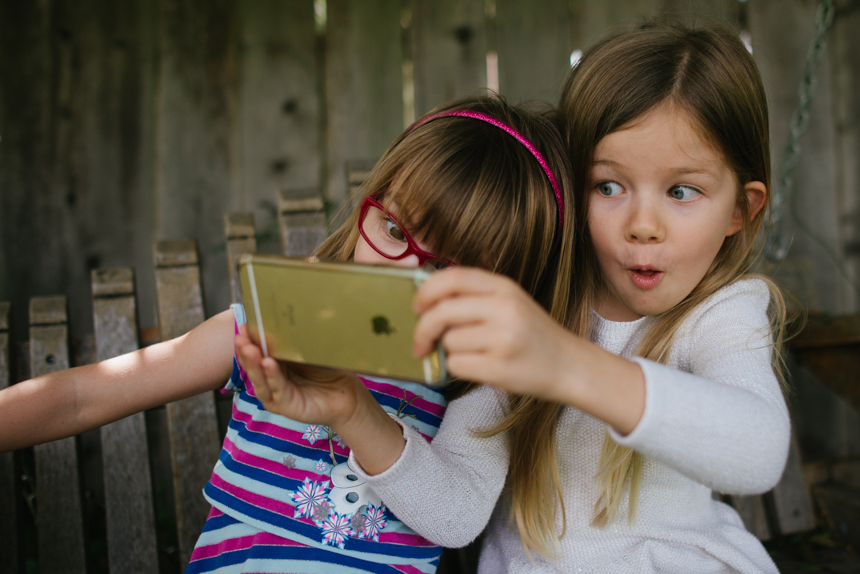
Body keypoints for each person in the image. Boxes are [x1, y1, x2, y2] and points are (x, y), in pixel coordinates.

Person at [0, 94, 576, 573]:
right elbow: (88, 392)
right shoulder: (272, 325)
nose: (405, 273)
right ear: (367, 208)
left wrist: (353, 409)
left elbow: (456, 518)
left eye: (450, 268)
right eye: (394, 228)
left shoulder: (478, 381)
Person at [374, 24, 789, 573]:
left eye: (682, 191)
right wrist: (352, 414)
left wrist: (566, 364)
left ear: (741, 209)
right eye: (609, 186)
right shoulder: (529, 310)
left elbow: (758, 452)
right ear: (572, 186)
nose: (643, 226)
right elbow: (453, 514)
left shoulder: (719, 315)